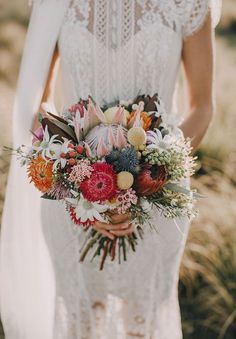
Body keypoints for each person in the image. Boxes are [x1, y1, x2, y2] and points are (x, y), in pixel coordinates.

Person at [0, 1, 221, 338]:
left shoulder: (188, 5)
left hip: (158, 195)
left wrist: (153, 178)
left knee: (142, 323)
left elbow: (202, 106)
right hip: (73, 199)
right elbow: (38, 102)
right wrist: (75, 176)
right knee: (80, 323)